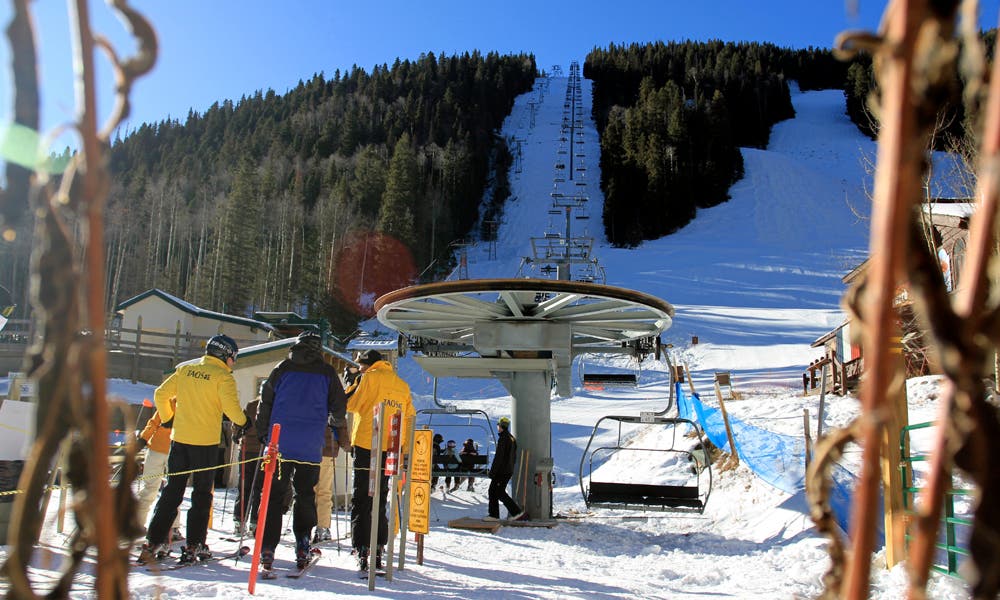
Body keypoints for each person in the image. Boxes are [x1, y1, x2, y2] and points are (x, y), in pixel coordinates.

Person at [137, 334, 247, 564]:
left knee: (171, 492)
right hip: (205, 444)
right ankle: (194, 544)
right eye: (233, 358)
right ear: (225, 355)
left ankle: (154, 541)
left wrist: (168, 418)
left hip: (180, 441)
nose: (233, 363)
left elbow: (161, 394)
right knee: (201, 494)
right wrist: (244, 423)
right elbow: (231, 408)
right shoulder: (222, 377)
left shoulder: (186, 370)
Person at [256, 330, 348, 570]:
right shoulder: (327, 372)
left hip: (279, 443)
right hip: (310, 445)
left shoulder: (282, 368)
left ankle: (267, 547)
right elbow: (340, 406)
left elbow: (265, 401)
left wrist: (263, 434)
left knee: (274, 496)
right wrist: (333, 423)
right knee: (305, 494)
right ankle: (302, 543)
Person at [347, 349, 415, 572]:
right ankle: (378, 545)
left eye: (361, 365)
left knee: (362, 497)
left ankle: (362, 547)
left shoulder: (367, 379)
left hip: (367, 444)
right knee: (381, 496)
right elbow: (409, 417)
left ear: (368, 364)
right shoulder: (402, 385)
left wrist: (351, 381)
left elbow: (350, 403)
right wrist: (403, 447)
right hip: (391, 447)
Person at [135, 398, 183, 541]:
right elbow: (155, 422)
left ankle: (139, 525)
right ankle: (172, 527)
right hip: (172, 451)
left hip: (162, 450)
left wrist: (143, 439)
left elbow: (153, 422)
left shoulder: (168, 401)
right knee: (173, 490)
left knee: (153, 489)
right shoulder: (177, 402)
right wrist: (143, 439)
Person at [231, 395, 262, 536]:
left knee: (244, 486)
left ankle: (239, 521)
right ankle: (255, 522)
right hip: (262, 451)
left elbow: (239, 422)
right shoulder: (273, 404)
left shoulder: (251, 404)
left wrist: (236, 434)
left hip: (247, 449)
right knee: (258, 489)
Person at [485, 416, 525, 522]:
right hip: (507, 470)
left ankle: (512, 512)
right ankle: (497, 515)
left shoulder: (503, 438)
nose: (497, 427)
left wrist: (492, 472)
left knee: (496, 491)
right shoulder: (511, 438)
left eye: (498, 425)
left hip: (501, 471)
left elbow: (499, 457)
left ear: (500, 426)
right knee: (496, 491)